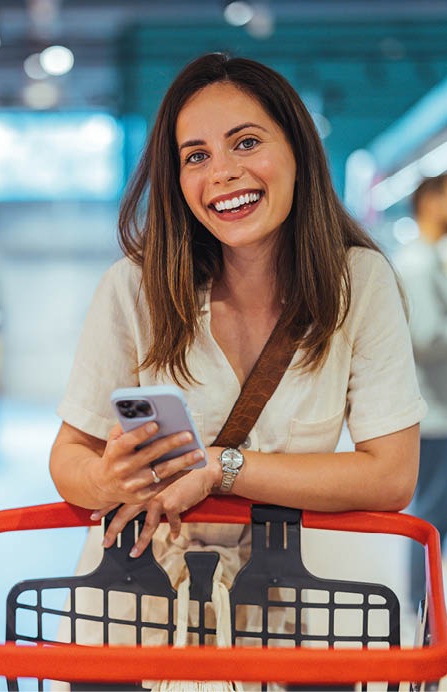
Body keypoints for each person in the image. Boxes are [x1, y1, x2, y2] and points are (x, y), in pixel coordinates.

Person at [49, 53, 426, 649]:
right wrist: (105, 477)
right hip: (136, 605)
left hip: (296, 607)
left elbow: (392, 474)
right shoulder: (134, 287)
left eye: (246, 143)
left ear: (298, 150)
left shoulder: (359, 282)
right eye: (196, 156)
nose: (221, 173)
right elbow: (69, 456)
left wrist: (219, 469)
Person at [394, 173, 447, 608]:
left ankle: (426, 601)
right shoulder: (416, 263)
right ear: (430, 202)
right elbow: (426, 336)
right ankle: (420, 604)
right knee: (429, 515)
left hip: (437, 409)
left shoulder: (430, 259)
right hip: (433, 414)